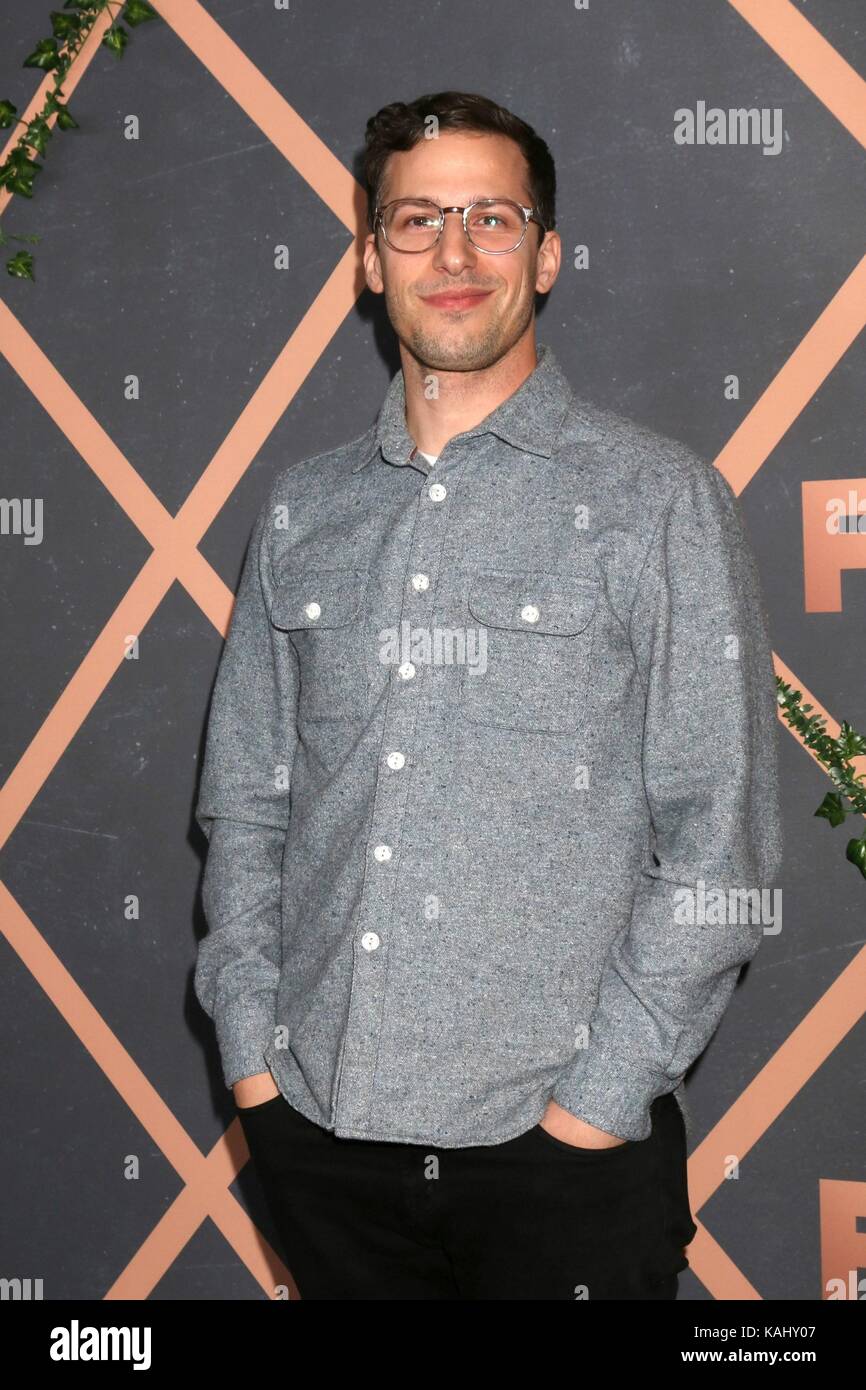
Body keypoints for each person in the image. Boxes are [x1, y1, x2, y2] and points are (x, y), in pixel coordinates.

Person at [193, 90, 783, 1300]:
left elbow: (718, 842)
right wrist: (254, 1058)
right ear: (368, 261)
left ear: (547, 253)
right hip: (320, 1140)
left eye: (491, 218)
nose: (452, 256)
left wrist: (594, 1104)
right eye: (414, 222)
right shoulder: (305, 507)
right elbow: (247, 806)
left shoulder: (654, 500)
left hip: (561, 1159)